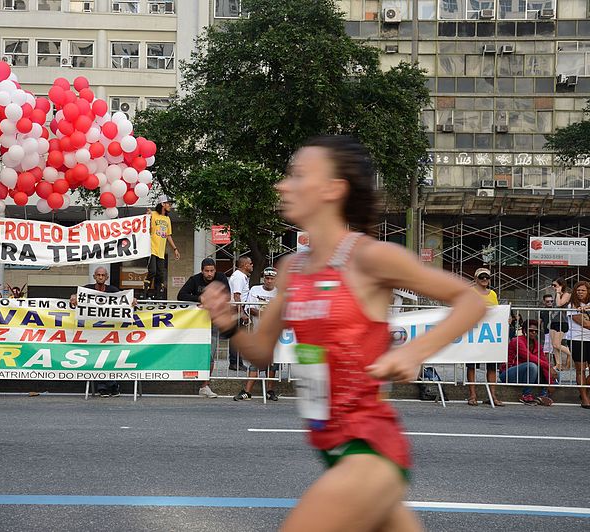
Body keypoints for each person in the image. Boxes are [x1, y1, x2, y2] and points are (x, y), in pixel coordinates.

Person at [200, 135, 486, 531]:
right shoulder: (292, 270)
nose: (283, 185)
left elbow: (470, 300)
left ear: (334, 189)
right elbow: (261, 353)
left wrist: (414, 352)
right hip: (331, 447)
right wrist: (228, 324)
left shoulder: (369, 258)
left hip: (370, 451)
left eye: (298, 176)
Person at [69, 266, 131, 397]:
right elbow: (75, 296)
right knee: (97, 358)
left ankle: (112, 386)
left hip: (110, 331)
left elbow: (125, 301)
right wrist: (73, 296)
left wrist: (132, 301)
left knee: (110, 358)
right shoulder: (87, 289)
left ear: (107, 277)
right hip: (93, 332)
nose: (101, 277)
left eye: (103, 275)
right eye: (98, 275)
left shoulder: (113, 290)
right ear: (94, 277)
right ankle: (103, 387)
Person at [178, 257, 231, 398]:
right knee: (192, 350)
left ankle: (205, 385)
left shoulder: (221, 277)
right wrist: (200, 299)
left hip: (213, 321)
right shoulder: (194, 279)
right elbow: (181, 295)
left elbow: (227, 296)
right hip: (196, 323)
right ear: (202, 271)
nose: (209, 274)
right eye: (206, 271)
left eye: (212, 271)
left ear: (215, 270)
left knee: (210, 355)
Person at [234, 266, 279, 402]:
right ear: (263, 278)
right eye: (267, 278)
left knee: (273, 363)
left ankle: (270, 390)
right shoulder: (255, 290)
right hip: (257, 332)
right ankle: (247, 391)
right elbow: (249, 308)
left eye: (272, 278)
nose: (269, 281)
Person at [466, 267, 503, 406]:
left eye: (487, 277)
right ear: (475, 279)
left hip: (490, 334)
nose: (485, 280)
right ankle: (472, 395)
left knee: (492, 366)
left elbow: (497, 312)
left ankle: (492, 395)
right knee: (471, 366)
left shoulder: (492, 293)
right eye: (481, 277)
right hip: (474, 333)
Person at [502, 319, 556, 406]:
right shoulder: (517, 341)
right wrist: (549, 367)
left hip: (527, 375)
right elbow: (529, 357)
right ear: (524, 331)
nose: (533, 333)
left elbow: (543, 361)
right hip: (509, 373)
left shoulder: (537, 345)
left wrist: (550, 381)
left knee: (555, 375)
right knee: (532, 366)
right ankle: (526, 395)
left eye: (536, 331)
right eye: (531, 330)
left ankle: (543, 395)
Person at [145, 194, 180, 300]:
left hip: (161, 250)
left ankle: (157, 295)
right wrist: (147, 216)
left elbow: (168, 235)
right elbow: (145, 225)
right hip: (151, 248)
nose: (170, 205)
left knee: (160, 273)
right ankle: (145, 293)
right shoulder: (153, 214)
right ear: (162, 204)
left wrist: (175, 249)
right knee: (152, 271)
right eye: (169, 203)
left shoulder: (167, 219)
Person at [564, 281, 590, 408]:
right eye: (578, 290)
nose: (580, 292)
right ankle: (585, 399)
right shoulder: (572, 305)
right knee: (580, 369)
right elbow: (585, 323)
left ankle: (585, 392)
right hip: (576, 339)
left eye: (583, 290)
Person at [228, 256, 253, 371]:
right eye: (250, 263)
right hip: (236, 308)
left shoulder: (241, 276)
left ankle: (238, 362)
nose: (252, 265)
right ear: (245, 265)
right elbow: (237, 295)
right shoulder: (239, 277)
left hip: (237, 308)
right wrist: (241, 312)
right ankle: (234, 362)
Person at [549, 277, 572, 371]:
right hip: (554, 320)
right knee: (553, 345)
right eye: (552, 285)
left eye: (555, 285)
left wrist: (558, 293)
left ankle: (570, 354)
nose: (553, 287)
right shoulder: (557, 294)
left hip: (562, 321)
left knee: (557, 344)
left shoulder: (567, 293)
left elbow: (559, 304)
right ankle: (558, 364)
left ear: (561, 285)